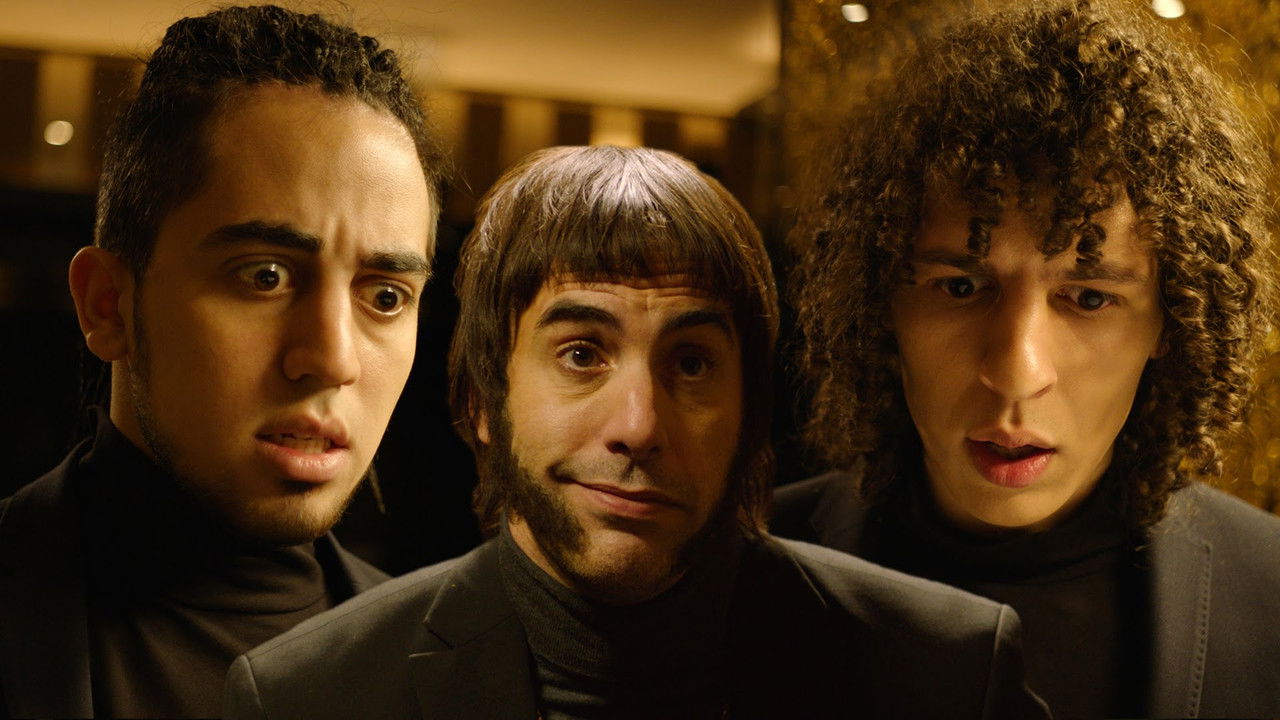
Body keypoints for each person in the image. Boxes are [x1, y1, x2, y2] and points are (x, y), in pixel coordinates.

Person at [223, 146, 1047, 720]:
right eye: (582, 354)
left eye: (691, 364)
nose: (640, 425)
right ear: (480, 399)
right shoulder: (310, 696)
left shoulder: (949, 675)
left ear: (752, 412)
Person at [772, 1, 1280, 718]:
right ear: (881, 300)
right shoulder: (741, 568)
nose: (1015, 372)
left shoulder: (1270, 593)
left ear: (1172, 321)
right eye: (960, 287)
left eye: (1090, 298)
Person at [0, 6, 445, 718]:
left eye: (386, 296)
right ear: (107, 305)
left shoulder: (457, 672)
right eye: (264, 276)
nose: (333, 359)